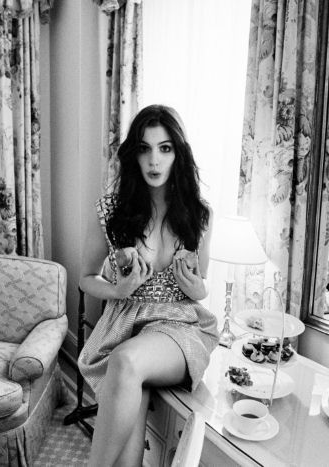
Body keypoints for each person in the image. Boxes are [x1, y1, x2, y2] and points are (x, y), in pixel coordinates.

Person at [78, 105, 219, 466]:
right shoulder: (110, 211)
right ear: (134, 155)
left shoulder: (198, 214)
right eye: (145, 148)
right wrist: (117, 290)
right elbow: (86, 277)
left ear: (178, 154)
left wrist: (195, 287)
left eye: (165, 148)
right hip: (124, 325)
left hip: (178, 327)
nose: (154, 160)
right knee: (128, 450)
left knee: (126, 361)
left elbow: (200, 288)